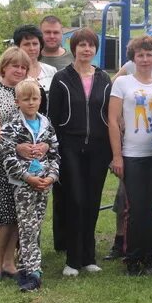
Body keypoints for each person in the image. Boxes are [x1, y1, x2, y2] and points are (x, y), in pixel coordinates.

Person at [0, 47, 46, 280]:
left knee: (18, 211)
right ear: (4, 66)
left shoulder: (28, 91)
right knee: (3, 211)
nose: (19, 70)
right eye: (15, 66)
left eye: (23, 67)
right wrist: (15, 146)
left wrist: (38, 146)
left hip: (24, 158)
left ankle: (10, 262)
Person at [106, 25, 152, 261]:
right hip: (132, 153)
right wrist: (117, 156)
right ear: (133, 58)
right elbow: (113, 120)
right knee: (134, 207)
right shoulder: (122, 83)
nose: (145, 59)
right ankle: (133, 255)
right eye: (140, 55)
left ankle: (151, 253)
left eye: (149, 54)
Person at [48, 28, 112, 276]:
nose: (86, 50)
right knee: (75, 200)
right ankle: (72, 259)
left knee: (92, 201)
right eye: (82, 45)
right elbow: (53, 117)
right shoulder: (62, 78)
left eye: (91, 45)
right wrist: (53, 149)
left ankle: (89, 256)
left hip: (98, 148)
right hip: (69, 147)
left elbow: (109, 114)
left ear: (95, 49)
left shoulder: (104, 78)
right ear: (73, 48)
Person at [2, 80, 60, 292]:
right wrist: (27, 177)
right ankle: (33, 273)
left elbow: (54, 152)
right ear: (17, 102)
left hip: (44, 183)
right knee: (27, 226)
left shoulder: (46, 123)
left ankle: (28, 266)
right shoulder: (11, 126)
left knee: (35, 224)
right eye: (26, 99)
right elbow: (8, 157)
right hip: (24, 183)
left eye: (35, 98)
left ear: (41, 100)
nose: (31, 103)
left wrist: (52, 176)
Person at [38, 15, 73, 251]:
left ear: (63, 34)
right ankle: (30, 242)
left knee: (64, 190)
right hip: (34, 135)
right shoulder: (32, 56)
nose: (51, 36)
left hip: (64, 134)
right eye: (47, 32)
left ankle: (63, 241)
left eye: (55, 32)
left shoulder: (71, 59)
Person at [13, 24, 57, 94]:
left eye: (35, 44)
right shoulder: (13, 74)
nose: (32, 48)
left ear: (41, 45)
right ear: (18, 47)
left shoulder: (51, 71)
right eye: (27, 44)